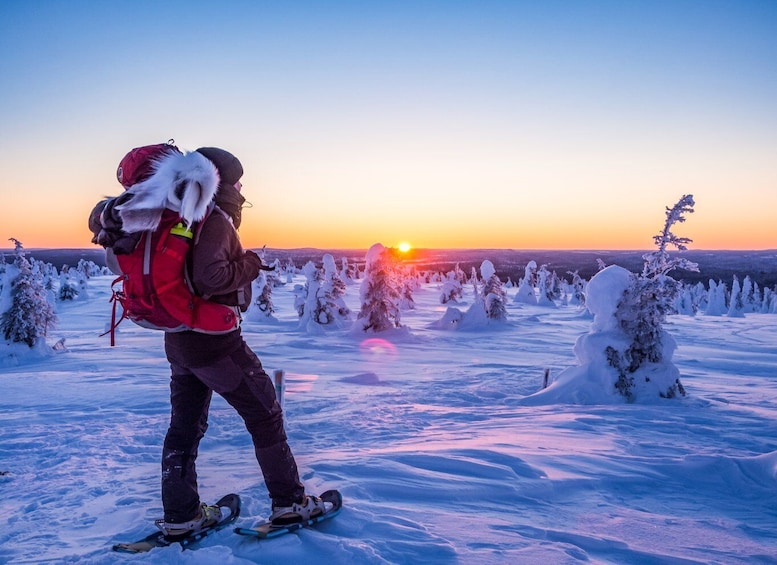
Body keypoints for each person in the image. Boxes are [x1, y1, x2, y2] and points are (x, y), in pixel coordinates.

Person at [89, 145, 326, 537]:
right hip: (215, 342)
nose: (241, 192)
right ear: (222, 181)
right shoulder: (209, 217)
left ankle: (181, 515)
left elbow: (120, 263)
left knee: (184, 424)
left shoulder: (159, 215)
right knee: (265, 415)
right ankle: (289, 503)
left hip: (179, 340)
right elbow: (211, 278)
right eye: (238, 183)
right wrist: (249, 264)